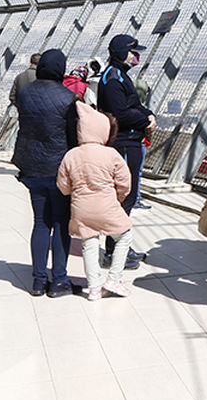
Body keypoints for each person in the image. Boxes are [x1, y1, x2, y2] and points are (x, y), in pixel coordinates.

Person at [13, 48, 78, 298]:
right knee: (61, 222)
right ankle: (59, 279)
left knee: (40, 222)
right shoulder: (67, 97)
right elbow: (73, 136)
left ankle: (39, 281)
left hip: (31, 167)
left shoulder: (25, 94)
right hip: (58, 169)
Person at [57, 103, 133, 300]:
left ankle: (93, 288)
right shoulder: (111, 154)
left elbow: (63, 186)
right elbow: (125, 183)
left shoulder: (71, 155)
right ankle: (114, 278)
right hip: (106, 205)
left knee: (88, 245)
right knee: (124, 236)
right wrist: (118, 198)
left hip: (81, 208)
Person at [96, 34, 155, 268]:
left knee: (126, 196)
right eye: (132, 52)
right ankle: (114, 249)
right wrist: (144, 121)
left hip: (131, 138)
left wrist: (148, 114)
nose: (135, 56)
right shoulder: (113, 78)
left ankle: (119, 245)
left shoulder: (121, 76)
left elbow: (134, 105)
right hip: (124, 141)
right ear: (121, 53)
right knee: (125, 196)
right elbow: (120, 113)